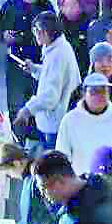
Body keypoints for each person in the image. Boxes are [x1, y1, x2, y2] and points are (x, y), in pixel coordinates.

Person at [0, 0, 56, 113]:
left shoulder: (45, 6)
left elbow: (54, 33)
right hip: (16, 63)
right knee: (15, 105)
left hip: (39, 60)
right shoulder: (10, 5)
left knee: (38, 105)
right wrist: (4, 35)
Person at [58, 71, 112, 175]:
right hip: (80, 181)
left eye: (103, 91)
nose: (99, 96)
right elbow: (62, 157)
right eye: (93, 92)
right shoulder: (69, 120)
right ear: (84, 94)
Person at [20, 10, 83, 150]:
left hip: (56, 122)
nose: (36, 34)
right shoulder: (56, 48)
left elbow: (50, 97)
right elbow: (52, 76)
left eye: (38, 30)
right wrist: (35, 69)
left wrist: (27, 109)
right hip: (55, 119)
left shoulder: (57, 54)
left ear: (46, 32)